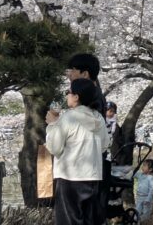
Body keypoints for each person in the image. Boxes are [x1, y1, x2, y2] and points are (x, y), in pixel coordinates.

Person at [45, 78, 110, 225]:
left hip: (70, 177)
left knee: (69, 220)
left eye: (69, 92)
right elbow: (104, 145)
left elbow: (54, 147)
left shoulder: (69, 117)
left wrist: (53, 124)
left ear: (76, 97)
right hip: (93, 177)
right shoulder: (98, 117)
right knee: (89, 220)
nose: (67, 95)